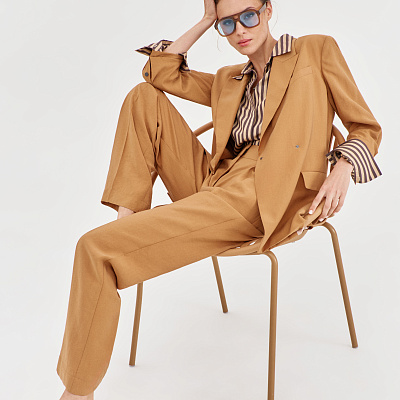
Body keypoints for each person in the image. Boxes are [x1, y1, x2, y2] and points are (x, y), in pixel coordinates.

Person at [57, 0, 382, 398]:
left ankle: (77, 393)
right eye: (227, 24)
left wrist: (343, 168)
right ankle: (128, 225)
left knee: (94, 249)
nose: (240, 30)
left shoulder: (314, 50)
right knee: (143, 96)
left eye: (248, 16)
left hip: (262, 197)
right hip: (213, 184)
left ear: (268, 10)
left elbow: (366, 126)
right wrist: (206, 19)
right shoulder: (229, 78)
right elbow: (159, 73)